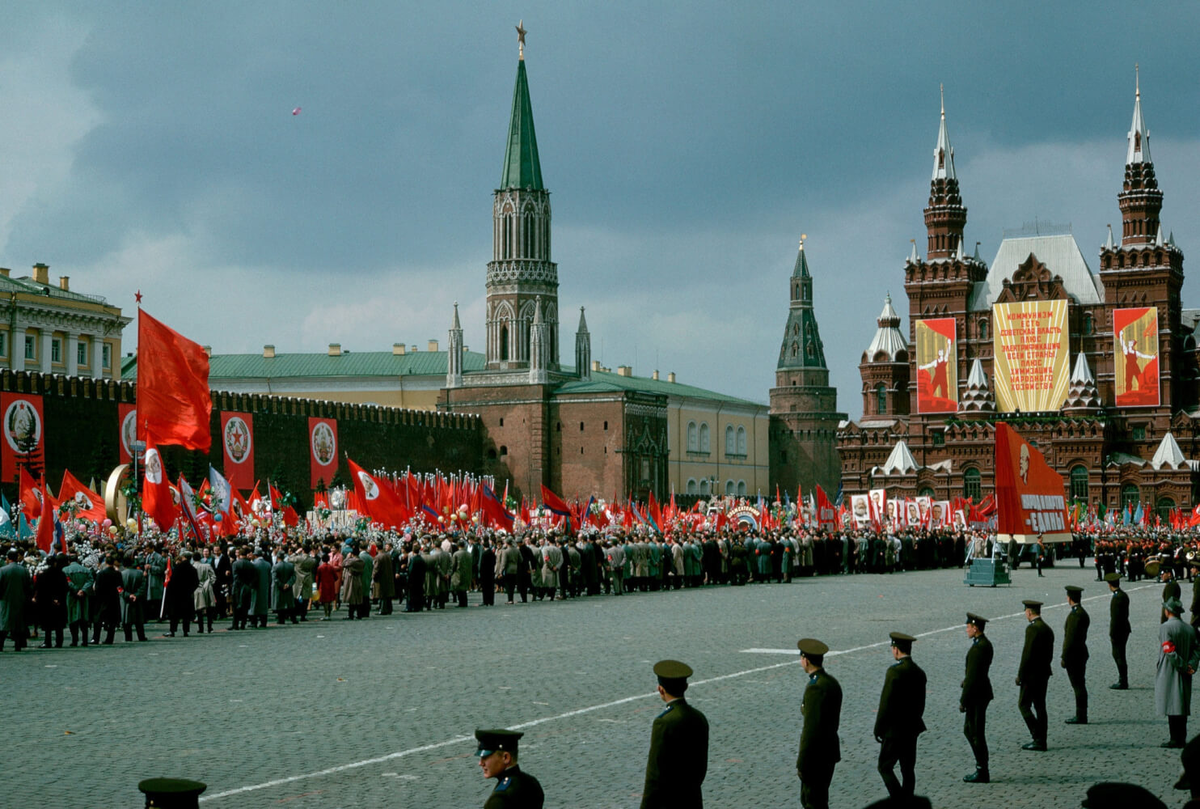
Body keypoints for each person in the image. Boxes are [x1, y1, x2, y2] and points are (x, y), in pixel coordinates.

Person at [641, 660, 708, 809]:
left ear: (661, 689)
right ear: (686, 686)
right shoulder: (699, 717)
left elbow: (654, 775)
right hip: (693, 800)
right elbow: (701, 765)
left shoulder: (664, 722)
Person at [874, 632, 926, 802]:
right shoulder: (919, 672)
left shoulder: (894, 672)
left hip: (894, 730)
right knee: (908, 769)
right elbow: (921, 704)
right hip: (912, 728)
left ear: (896, 650)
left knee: (884, 766)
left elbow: (885, 704)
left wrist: (879, 728)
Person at [796, 638, 841, 809]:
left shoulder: (815, 687)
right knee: (820, 800)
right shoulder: (832, 683)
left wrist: (802, 762)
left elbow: (810, 730)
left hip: (815, 757)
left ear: (805, 660)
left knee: (812, 802)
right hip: (829, 751)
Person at [1157, 597, 1200, 748]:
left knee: (1172, 703)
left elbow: (1169, 651)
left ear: (1167, 611)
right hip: (1186, 671)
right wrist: (1191, 665)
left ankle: (1175, 738)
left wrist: (1182, 666)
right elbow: (1196, 649)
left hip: (1171, 670)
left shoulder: (1165, 628)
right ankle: (1182, 736)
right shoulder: (1190, 628)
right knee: (1181, 703)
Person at [1017, 599, 1054, 751]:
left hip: (1031, 675)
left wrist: (1020, 674)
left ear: (1029, 612)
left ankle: (1037, 736)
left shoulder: (1032, 629)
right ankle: (1042, 738)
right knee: (1040, 706)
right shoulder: (1047, 628)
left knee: (1023, 705)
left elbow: (1027, 654)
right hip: (1043, 673)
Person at [474, 728, 544, 808]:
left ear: (506, 757)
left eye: (485, 757)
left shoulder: (499, 799)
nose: (480, 763)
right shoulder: (532, 782)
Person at [961, 613, 993, 783]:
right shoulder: (984, 644)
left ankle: (982, 769)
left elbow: (974, 676)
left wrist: (963, 700)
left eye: (968, 627)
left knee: (975, 733)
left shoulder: (978, 648)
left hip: (976, 695)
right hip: (981, 692)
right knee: (971, 731)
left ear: (975, 628)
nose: (966, 630)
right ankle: (981, 767)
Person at [1062, 585, 1090, 724]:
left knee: (1078, 685)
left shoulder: (1074, 615)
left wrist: (1064, 657)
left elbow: (1069, 639)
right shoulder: (1083, 613)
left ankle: (1081, 715)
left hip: (1074, 656)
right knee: (1080, 684)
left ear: (1070, 598)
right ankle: (1082, 713)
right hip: (1082, 652)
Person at [0, 547, 32, 651]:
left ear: (8, 558)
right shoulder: (24, 570)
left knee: (4, 624)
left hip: (6, 600)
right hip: (20, 600)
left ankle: (1, 645)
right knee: (18, 624)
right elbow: (28, 586)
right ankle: (18, 645)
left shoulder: (3, 570)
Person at [1106, 572, 1131, 689]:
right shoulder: (1123, 595)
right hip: (1125, 628)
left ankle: (1123, 680)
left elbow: (1115, 618)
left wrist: (1112, 633)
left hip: (1119, 631)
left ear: (1110, 585)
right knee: (1120, 654)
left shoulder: (1117, 598)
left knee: (1118, 655)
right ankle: (1123, 679)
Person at [63, 553, 93, 647]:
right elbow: (90, 581)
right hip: (84, 596)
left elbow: (67, 581)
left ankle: (74, 640)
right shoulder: (86, 570)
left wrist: (75, 589)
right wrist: (83, 590)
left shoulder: (65, 570)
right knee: (84, 617)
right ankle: (84, 640)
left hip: (72, 596)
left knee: (72, 618)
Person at [166, 551, 199, 636]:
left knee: (174, 614)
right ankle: (185, 631)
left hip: (176, 594)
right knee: (186, 614)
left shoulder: (178, 568)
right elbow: (196, 582)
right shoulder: (192, 569)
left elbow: (172, 581)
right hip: (187, 594)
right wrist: (190, 590)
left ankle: (172, 630)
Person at [118, 553, 149, 642]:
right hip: (137, 599)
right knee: (139, 620)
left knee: (126, 620)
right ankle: (141, 636)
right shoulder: (140, 573)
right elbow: (143, 586)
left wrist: (127, 595)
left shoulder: (121, 574)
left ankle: (128, 637)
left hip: (125, 600)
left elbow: (119, 588)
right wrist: (136, 595)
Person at [193, 550, 216, 633]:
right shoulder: (207, 566)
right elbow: (213, 577)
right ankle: (209, 626)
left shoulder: (193, 567)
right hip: (207, 587)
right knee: (209, 607)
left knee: (199, 609)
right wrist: (209, 583)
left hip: (197, 588)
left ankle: (201, 628)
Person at [272, 550, 297, 624]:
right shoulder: (290, 565)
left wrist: (281, 585)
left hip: (279, 588)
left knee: (280, 603)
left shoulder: (275, 567)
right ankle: (293, 619)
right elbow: (293, 577)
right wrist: (288, 584)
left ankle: (281, 619)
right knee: (290, 603)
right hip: (288, 587)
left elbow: (275, 578)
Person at [315, 553, 338, 619]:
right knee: (330, 601)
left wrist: (317, 586)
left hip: (323, 586)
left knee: (325, 602)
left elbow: (317, 578)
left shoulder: (320, 568)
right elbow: (336, 577)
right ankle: (329, 615)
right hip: (331, 585)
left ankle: (326, 614)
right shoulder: (331, 567)